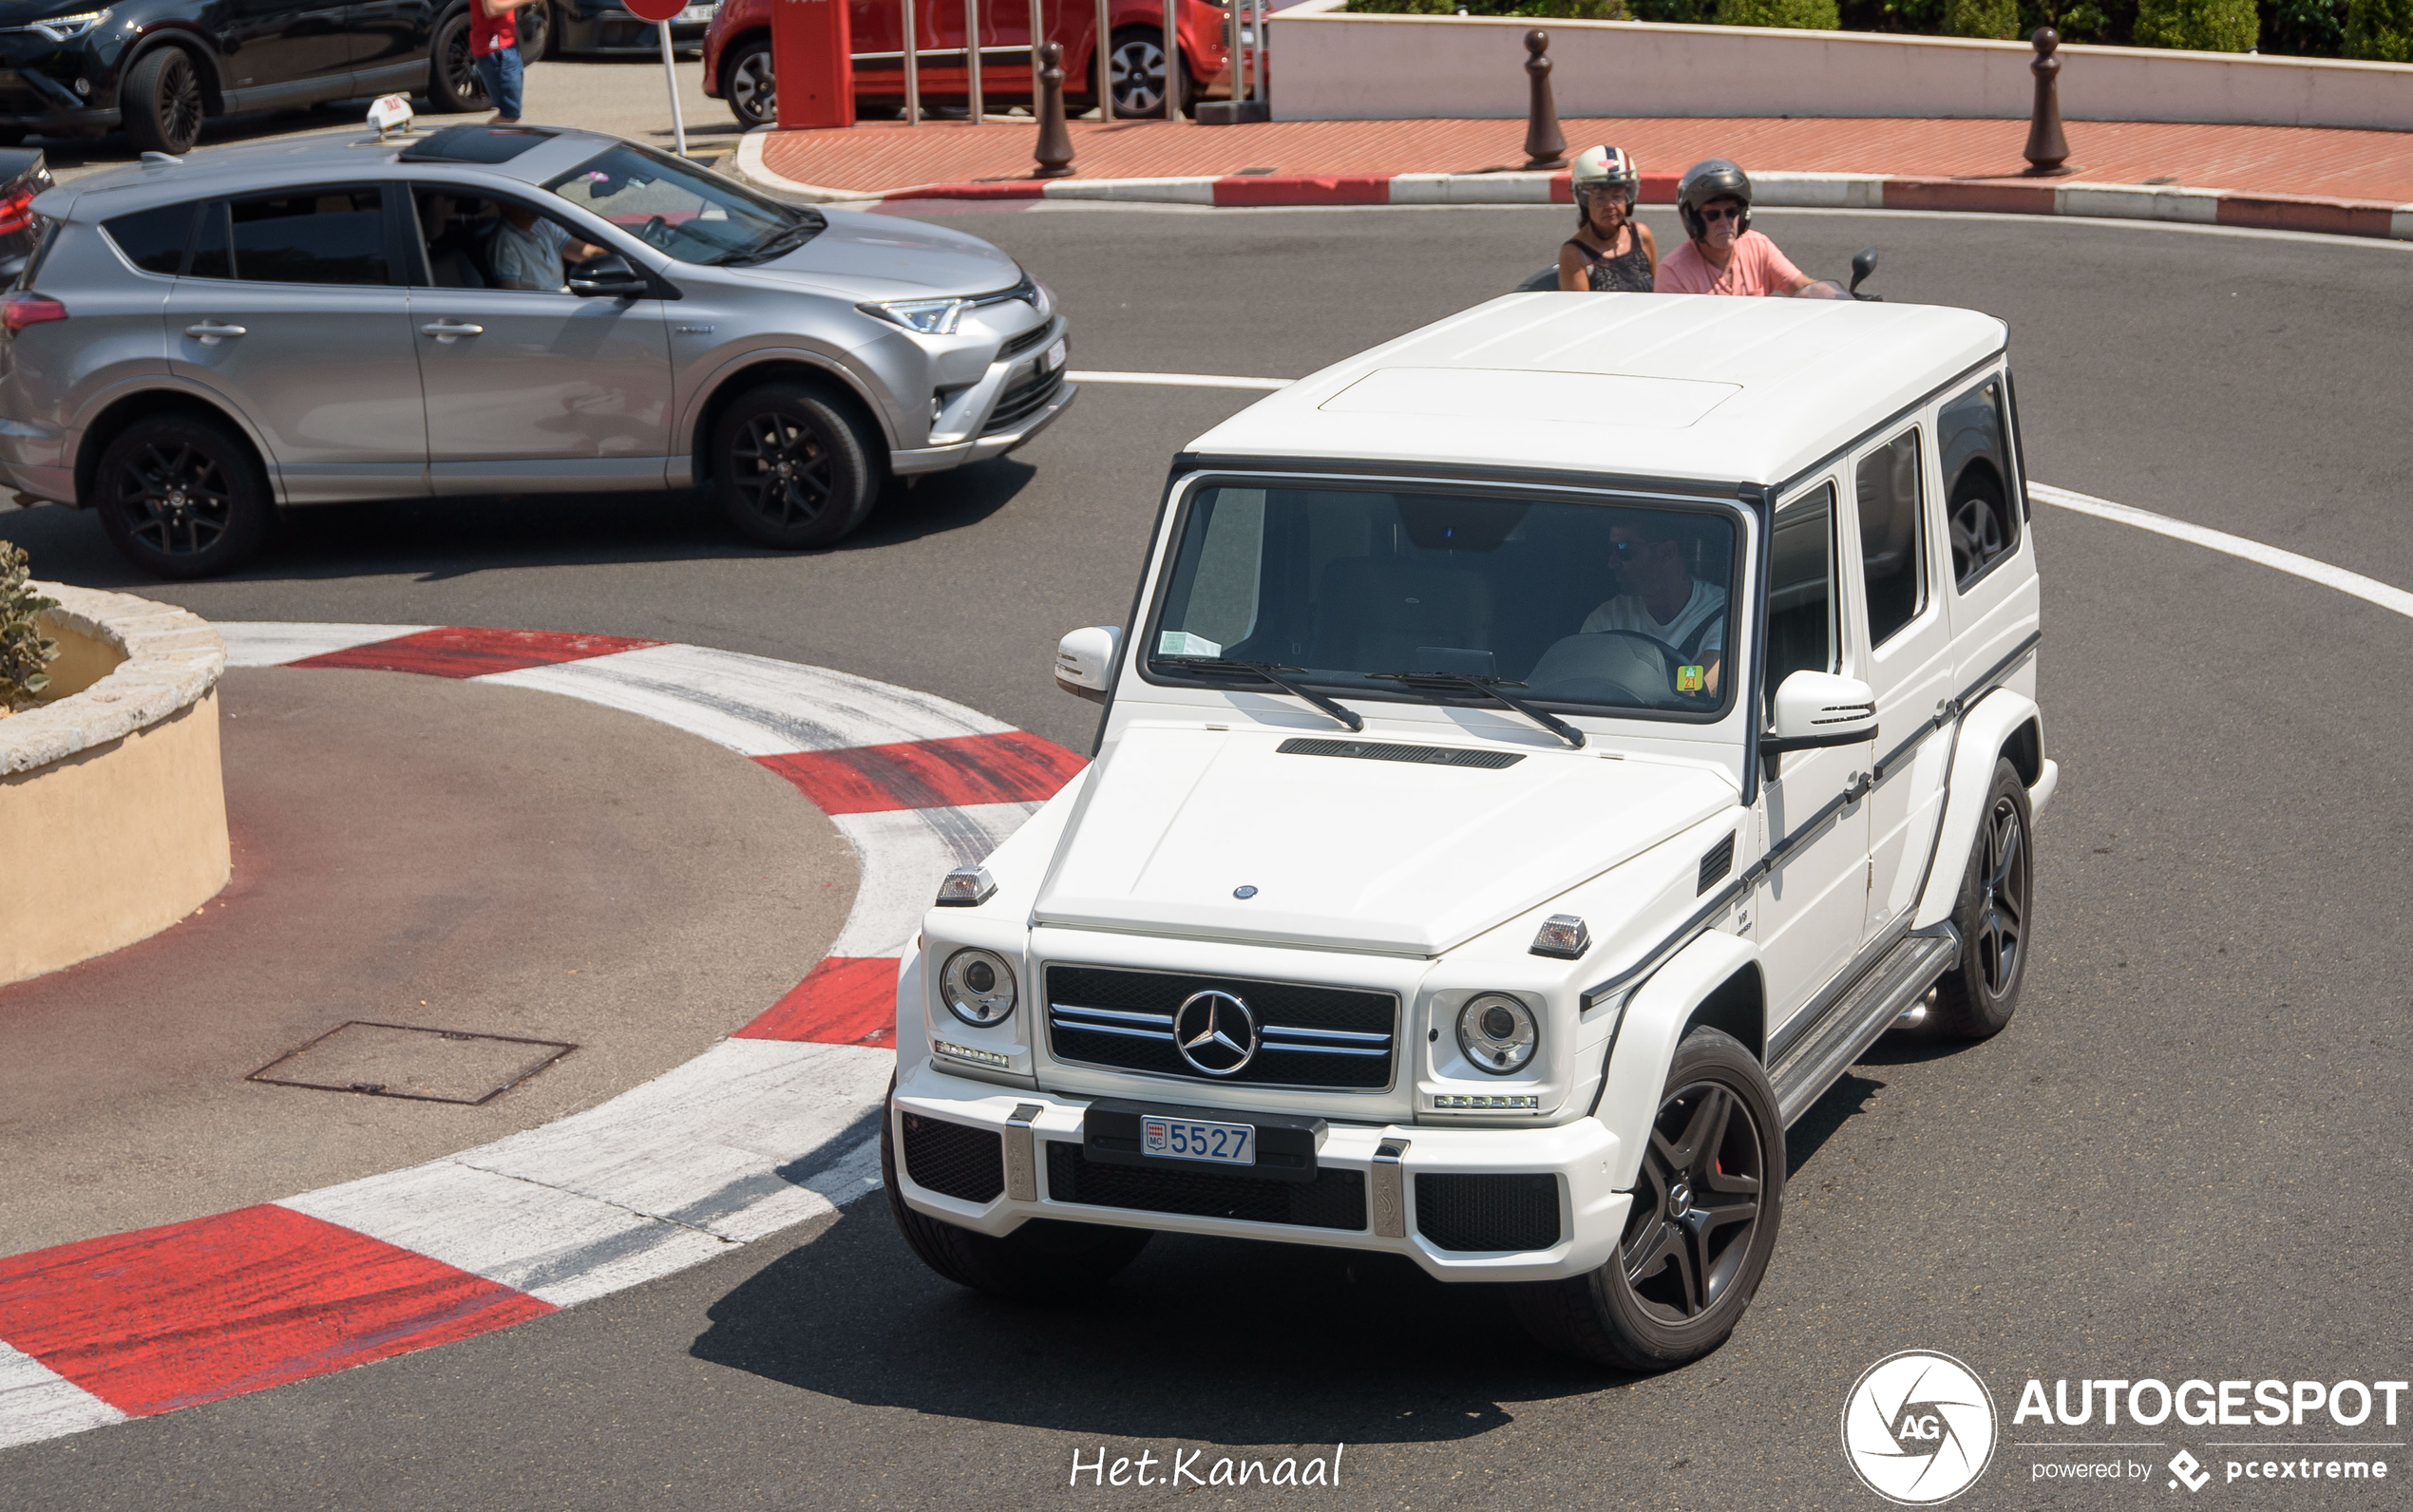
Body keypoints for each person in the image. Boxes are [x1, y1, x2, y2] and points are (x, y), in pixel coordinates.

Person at [1581, 515, 1725, 697]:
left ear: (1666, 552)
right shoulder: (1606, 619)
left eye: (1623, 550)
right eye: (1611, 549)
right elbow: (1582, 689)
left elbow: (1696, 693)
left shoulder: (1723, 614)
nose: (1612, 562)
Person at [1656, 159, 1831, 299]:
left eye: (1731, 212)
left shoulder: (1758, 246)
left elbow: (1802, 287)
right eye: (1713, 215)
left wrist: (1841, 302)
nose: (1724, 222)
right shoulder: (1674, 272)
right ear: (1693, 219)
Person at [1556, 144, 1657, 293]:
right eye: (1599, 198)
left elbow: (1658, 293)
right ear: (1585, 201)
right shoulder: (1574, 254)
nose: (1610, 206)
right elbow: (1579, 312)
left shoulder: (1642, 235)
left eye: (1617, 196)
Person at [487, 200, 608, 292]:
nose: (532, 206)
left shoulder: (542, 224)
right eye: (524, 202)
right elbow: (511, 295)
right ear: (506, 206)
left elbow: (585, 253)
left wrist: (619, 253)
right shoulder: (504, 242)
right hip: (542, 308)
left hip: (563, 296)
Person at [470, 0, 542, 124]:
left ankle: (487, 141)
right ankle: (479, 142)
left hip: (505, 45)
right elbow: (491, 9)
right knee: (509, 116)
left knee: (510, 116)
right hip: (496, 48)